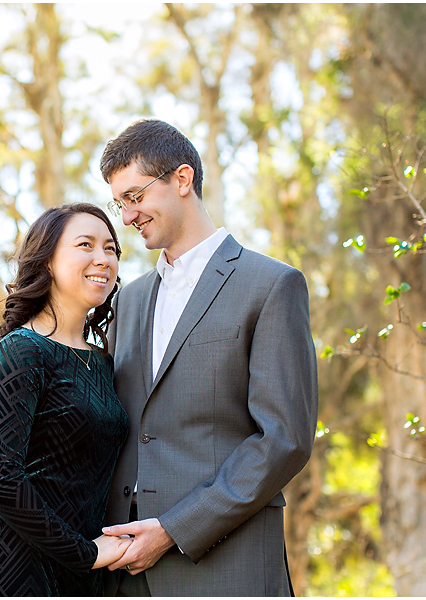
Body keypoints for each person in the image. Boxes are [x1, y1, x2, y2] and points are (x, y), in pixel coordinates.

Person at [98, 119, 319, 596]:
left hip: (228, 567)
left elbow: (284, 439)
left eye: (135, 196)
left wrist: (176, 529)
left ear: (182, 179)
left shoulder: (271, 285)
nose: (128, 215)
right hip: (127, 577)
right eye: (120, 204)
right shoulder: (127, 301)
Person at [0, 203, 132, 596]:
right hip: (12, 568)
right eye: (85, 245)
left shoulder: (103, 362)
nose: (102, 259)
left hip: (81, 572)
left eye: (111, 248)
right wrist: (83, 552)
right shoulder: (23, 350)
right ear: (48, 260)